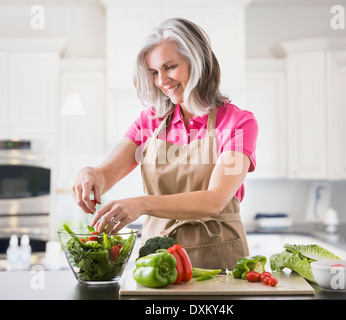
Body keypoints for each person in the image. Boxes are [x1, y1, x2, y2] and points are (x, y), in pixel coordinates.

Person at [72, 17, 258, 269]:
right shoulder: (149, 122)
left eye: (169, 67)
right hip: (158, 261)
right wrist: (90, 173)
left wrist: (143, 204)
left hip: (220, 258)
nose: (161, 81)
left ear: (198, 61)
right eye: (154, 72)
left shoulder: (238, 123)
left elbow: (214, 201)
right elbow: (105, 175)